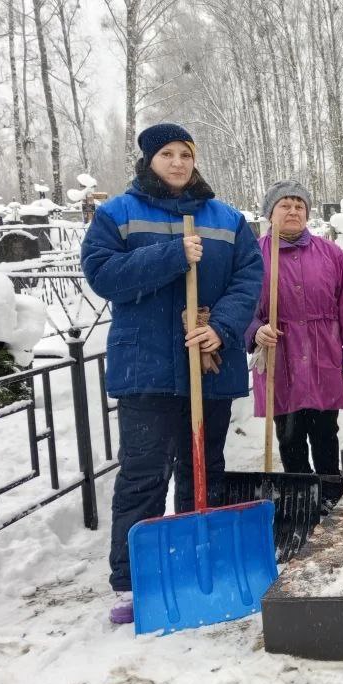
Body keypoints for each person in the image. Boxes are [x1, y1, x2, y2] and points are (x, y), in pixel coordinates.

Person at [81, 122, 263, 625]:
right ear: (149, 160)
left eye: (185, 153)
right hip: (147, 369)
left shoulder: (226, 219)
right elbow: (102, 275)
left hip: (208, 365)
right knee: (143, 473)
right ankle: (137, 582)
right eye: (167, 154)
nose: (179, 162)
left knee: (204, 469)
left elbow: (250, 277)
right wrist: (171, 256)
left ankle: (198, 568)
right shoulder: (117, 214)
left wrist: (221, 328)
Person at [245, 180, 343, 514]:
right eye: (284, 205)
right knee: (289, 433)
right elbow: (241, 307)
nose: (293, 211)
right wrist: (255, 331)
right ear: (270, 213)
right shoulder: (254, 256)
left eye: (299, 205)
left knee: (326, 429)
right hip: (280, 357)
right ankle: (301, 496)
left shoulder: (330, 254)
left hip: (322, 353)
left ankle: (330, 491)